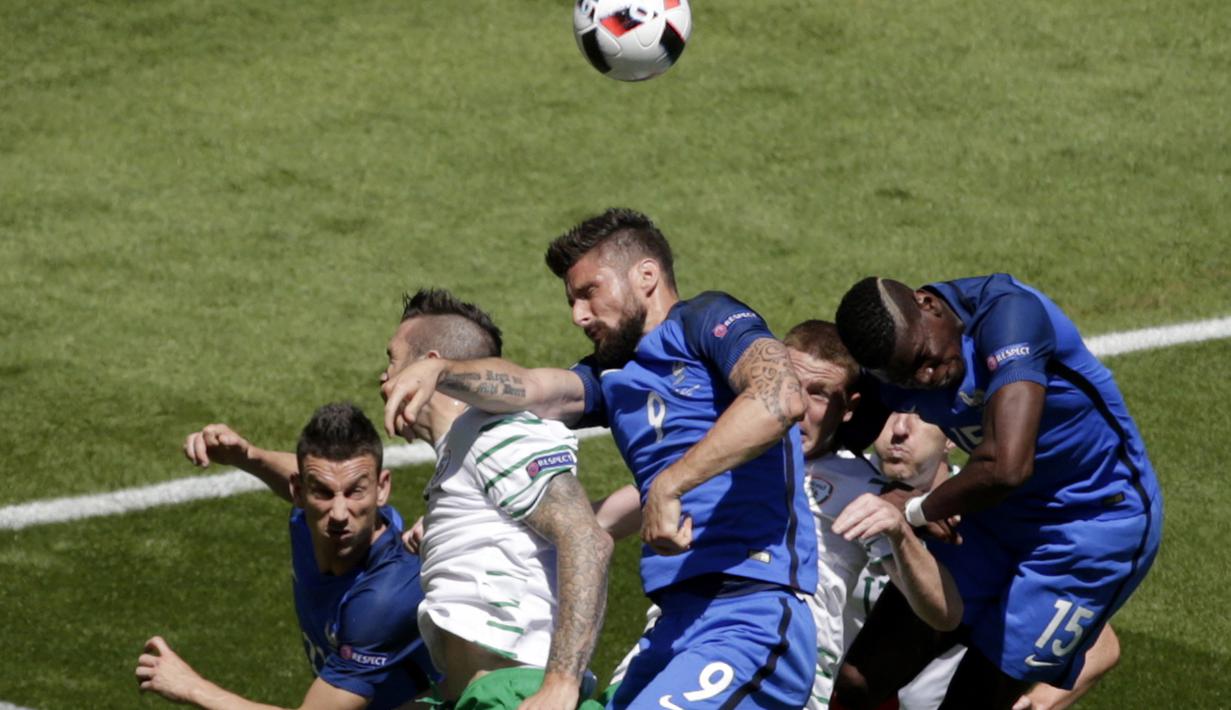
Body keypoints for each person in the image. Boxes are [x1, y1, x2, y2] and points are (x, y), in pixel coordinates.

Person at [383, 209, 819, 708]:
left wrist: (671, 484)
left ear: (646, 275)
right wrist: (443, 372)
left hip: (751, 613)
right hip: (675, 625)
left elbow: (779, 396)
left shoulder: (707, 319)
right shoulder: (611, 375)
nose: (579, 315)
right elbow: (529, 387)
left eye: (590, 292)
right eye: (571, 301)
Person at [830, 274, 1163, 709]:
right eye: (906, 377)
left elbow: (1007, 467)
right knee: (859, 682)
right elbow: (835, 434)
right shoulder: (895, 357)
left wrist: (913, 509)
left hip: (1090, 528)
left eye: (925, 359)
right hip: (994, 514)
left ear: (929, 305)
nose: (925, 377)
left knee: (972, 702)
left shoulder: (1010, 318)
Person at [382, 289, 612, 710]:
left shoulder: (494, 431)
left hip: (515, 695)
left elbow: (586, 538)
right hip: (472, 694)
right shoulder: (461, 450)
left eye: (392, 360)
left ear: (428, 365)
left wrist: (561, 683)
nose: (384, 377)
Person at [137, 403, 437, 709]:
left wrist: (192, 687)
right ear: (299, 491)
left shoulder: (383, 598)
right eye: (322, 493)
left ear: (382, 488)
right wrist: (247, 456)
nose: (338, 513)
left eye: (355, 492)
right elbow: (314, 475)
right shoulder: (308, 522)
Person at [853, 412, 1121, 710]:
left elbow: (1102, 645)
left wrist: (1039, 701)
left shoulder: (983, 521)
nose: (900, 429)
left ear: (951, 435)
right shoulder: (838, 484)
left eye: (920, 416)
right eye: (893, 411)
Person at [782, 321, 962, 709]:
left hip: (789, 681)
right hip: (686, 652)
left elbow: (945, 612)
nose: (798, 408)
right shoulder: (725, 449)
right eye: (791, 386)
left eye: (818, 394)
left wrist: (901, 527)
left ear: (849, 408)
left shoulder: (864, 490)